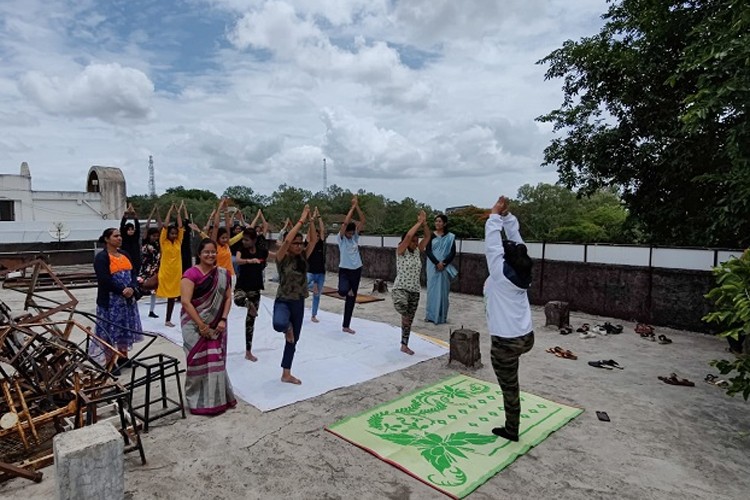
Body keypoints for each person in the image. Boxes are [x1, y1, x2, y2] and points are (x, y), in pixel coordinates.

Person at [484, 196, 534, 442]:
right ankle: (512, 424)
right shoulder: (524, 269)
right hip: (526, 336)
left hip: (506, 341)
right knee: (511, 382)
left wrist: (494, 215)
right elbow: (518, 244)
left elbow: (493, 245)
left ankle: (511, 430)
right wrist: (508, 218)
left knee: (510, 388)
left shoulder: (500, 273)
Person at [180, 238, 236, 415]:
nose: (210, 255)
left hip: (217, 325)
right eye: (207, 252)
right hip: (193, 325)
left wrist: (223, 320)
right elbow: (186, 302)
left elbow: (228, 298)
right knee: (197, 361)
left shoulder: (222, 274)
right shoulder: (191, 274)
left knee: (215, 361)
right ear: (199, 254)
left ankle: (217, 400)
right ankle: (197, 400)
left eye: (213, 252)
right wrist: (202, 325)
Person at [273, 205, 316, 385]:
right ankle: (287, 328)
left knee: (293, 341)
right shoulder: (281, 258)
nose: (298, 246)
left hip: (298, 302)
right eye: (295, 243)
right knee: (279, 324)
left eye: (300, 243)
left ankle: (286, 373)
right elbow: (287, 242)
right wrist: (301, 220)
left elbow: (313, 240)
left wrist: (311, 221)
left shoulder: (303, 257)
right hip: (283, 300)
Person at [92, 228, 144, 370]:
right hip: (110, 302)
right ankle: (109, 363)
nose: (120, 238)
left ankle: (123, 358)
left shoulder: (124, 254)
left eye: (120, 236)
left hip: (126, 302)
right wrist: (122, 290)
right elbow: (104, 279)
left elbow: (133, 273)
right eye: (116, 236)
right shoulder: (101, 258)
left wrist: (132, 288)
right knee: (109, 332)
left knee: (124, 330)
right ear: (107, 239)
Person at [392, 210, 431, 355]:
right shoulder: (401, 251)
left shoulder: (417, 251)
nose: (415, 243)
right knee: (403, 308)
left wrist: (425, 223)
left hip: (414, 290)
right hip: (401, 288)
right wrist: (418, 223)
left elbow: (427, 236)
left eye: (416, 241)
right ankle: (399, 305)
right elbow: (408, 236)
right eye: (413, 241)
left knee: (408, 320)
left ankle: (404, 344)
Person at [234, 227, 268, 362]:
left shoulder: (261, 251)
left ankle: (248, 351)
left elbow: (273, 255)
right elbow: (237, 260)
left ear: (254, 240)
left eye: (247, 240)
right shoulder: (241, 249)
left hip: (255, 288)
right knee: (237, 300)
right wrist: (250, 261)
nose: (244, 241)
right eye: (243, 239)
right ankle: (248, 304)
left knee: (250, 322)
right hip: (242, 286)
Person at [336, 196, 366, 334]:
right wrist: (352, 207)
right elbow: (345, 223)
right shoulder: (341, 239)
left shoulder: (354, 237)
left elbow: (363, 221)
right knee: (342, 291)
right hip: (345, 270)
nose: (350, 234)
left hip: (356, 270)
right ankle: (347, 289)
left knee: (351, 299)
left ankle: (346, 325)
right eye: (348, 232)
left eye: (351, 232)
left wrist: (358, 206)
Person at [425, 213, 457, 324]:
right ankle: (430, 315)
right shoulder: (431, 236)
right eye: (436, 221)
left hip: (444, 267)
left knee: (443, 292)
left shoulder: (450, 237)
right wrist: (436, 263)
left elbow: (453, 252)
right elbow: (428, 250)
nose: (437, 223)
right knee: (431, 290)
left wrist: (443, 263)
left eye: (439, 221)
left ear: (444, 223)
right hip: (432, 267)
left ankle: (441, 316)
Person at [155, 203, 183, 327]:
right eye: (172, 233)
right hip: (166, 271)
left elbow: (181, 225)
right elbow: (165, 226)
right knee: (164, 292)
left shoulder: (178, 242)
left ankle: (168, 320)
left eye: (175, 233)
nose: (174, 235)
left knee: (174, 296)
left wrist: (178, 214)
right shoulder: (164, 242)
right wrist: (170, 210)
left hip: (176, 271)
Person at [139, 204, 163, 318]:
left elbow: (161, 226)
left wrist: (157, 213)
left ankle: (151, 311)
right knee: (140, 288)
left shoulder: (158, 244)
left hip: (155, 269)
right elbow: (147, 226)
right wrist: (152, 212)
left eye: (157, 236)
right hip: (145, 268)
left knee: (153, 291)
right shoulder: (145, 242)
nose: (155, 237)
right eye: (153, 236)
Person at [306, 207, 327, 323]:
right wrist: (311, 219)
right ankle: (312, 286)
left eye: (318, 236)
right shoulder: (309, 243)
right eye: (316, 235)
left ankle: (313, 315)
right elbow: (310, 232)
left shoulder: (320, 244)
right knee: (304, 286)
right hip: (310, 272)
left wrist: (318, 217)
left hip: (320, 272)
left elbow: (322, 230)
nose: (317, 237)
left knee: (317, 295)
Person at [119, 203, 142, 280]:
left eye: (132, 229)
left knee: (136, 272)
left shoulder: (136, 237)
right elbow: (122, 227)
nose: (131, 231)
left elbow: (138, 228)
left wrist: (135, 217)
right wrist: (125, 216)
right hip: (126, 256)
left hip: (136, 257)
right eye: (129, 230)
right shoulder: (124, 237)